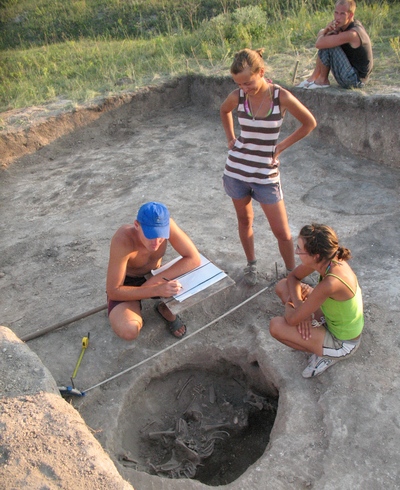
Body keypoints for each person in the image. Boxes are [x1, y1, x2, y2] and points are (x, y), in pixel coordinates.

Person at [220, 48, 316, 286]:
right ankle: (251, 265)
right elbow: (224, 110)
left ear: (261, 72)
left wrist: (281, 146)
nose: (244, 89)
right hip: (237, 172)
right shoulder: (238, 96)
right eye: (239, 84)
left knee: (282, 232)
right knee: (245, 221)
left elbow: (309, 123)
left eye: (248, 82)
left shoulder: (279, 96)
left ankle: (292, 273)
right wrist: (230, 138)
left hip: (265, 175)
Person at [269, 223, 364, 378]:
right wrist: (301, 306)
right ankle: (316, 335)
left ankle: (328, 355)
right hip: (330, 315)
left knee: (277, 326)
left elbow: (292, 319)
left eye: (300, 249)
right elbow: (293, 277)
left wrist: (292, 304)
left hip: (343, 342)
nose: (296, 252)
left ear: (316, 255)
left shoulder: (331, 283)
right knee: (282, 286)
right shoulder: (328, 259)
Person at [106, 202, 201, 341]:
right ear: (137, 225)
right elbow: (113, 291)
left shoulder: (169, 225)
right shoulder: (123, 239)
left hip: (156, 274)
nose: (156, 242)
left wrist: (154, 283)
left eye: (161, 235)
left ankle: (164, 308)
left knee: (197, 275)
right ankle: (135, 307)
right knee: (129, 331)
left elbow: (193, 258)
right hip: (127, 282)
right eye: (151, 235)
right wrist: (155, 290)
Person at [296, 0, 373, 90]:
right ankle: (313, 78)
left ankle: (323, 80)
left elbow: (319, 44)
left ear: (350, 15)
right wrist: (326, 30)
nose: (337, 17)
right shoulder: (345, 25)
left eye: (342, 14)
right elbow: (320, 33)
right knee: (327, 38)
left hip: (355, 80)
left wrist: (326, 32)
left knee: (327, 43)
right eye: (336, 13)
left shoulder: (352, 33)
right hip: (350, 74)